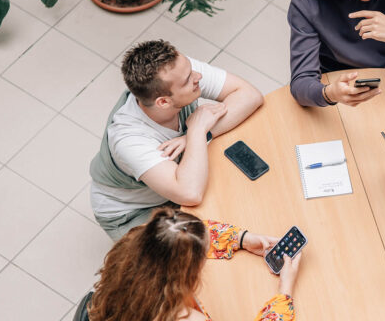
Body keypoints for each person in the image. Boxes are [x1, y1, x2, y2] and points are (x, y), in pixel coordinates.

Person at [90, 40, 264, 240]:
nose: (198, 77)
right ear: (163, 102)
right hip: (134, 212)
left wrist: (192, 138)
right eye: (189, 79)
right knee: (189, 256)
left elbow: (250, 95)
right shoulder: (128, 139)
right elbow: (190, 193)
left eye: (191, 70)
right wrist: (197, 130)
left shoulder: (179, 70)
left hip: (174, 184)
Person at [86, 207, 301, 321]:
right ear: (187, 273)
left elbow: (187, 233)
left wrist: (241, 239)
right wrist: (284, 293)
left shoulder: (131, 248)